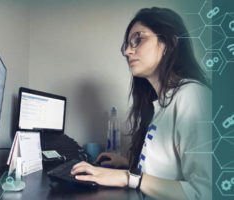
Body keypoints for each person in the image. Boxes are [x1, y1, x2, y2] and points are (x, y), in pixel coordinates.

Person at [71, 7, 212, 200]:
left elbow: (205, 192)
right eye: (127, 45)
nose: (128, 51)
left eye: (138, 39)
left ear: (169, 43)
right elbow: (168, 172)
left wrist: (128, 177)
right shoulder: (158, 104)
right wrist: (128, 164)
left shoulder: (192, 95)